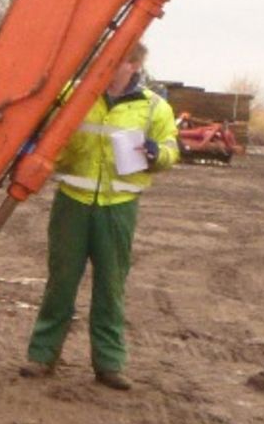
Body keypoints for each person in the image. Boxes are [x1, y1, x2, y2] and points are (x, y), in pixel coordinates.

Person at [19, 41, 179, 390]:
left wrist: (156, 154)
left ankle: (109, 363)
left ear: (134, 66)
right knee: (61, 280)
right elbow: (38, 122)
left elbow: (170, 148)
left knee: (111, 285)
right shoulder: (72, 95)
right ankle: (42, 355)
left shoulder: (155, 108)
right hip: (72, 201)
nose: (108, 67)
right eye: (105, 60)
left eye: (118, 62)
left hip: (119, 206)